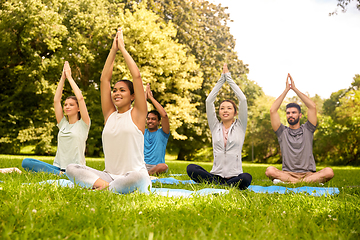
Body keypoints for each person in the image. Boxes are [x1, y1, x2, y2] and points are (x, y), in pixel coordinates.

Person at [66, 28, 151, 194]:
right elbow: (104, 79)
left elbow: (137, 77)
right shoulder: (110, 115)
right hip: (109, 176)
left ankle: (100, 189)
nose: (116, 93)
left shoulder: (138, 114)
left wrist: (123, 50)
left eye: (122, 90)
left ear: (133, 95)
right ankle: (109, 189)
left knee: (139, 177)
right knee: (71, 168)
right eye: (115, 90)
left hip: (132, 176)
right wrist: (113, 50)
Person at [187, 63, 252, 190]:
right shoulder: (215, 126)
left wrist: (229, 78)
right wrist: (222, 79)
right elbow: (209, 101)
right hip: (215, 175)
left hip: (235, 176)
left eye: (229, 108)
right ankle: (221, 185)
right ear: (219, 112)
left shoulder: (240, 126)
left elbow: (243, 100)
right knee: (191, 168)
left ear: (235, 112)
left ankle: (219, 186)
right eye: (222, 108)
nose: (225, 110)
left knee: (246, 177)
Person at [21, 61, 90, 175]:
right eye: (66, 104)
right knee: (26, 162)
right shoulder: (63, 124)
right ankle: (58, 174)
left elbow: (81, 98)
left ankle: (61, 175)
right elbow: (56, 100)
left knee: (71, 172)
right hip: (58, 168)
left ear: (78, 109)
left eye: (71, 105)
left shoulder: (83, 124)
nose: (67, 106)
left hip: (76, 169)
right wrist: (62, 78)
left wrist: (70, 78)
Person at [265, 73, 334, 184]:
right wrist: (286, 90)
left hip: (308, 173)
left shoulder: (308, 129)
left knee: (329, 171)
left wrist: (295, 89)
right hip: (288, 173)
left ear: (300, 115)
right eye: (288, 113)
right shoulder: (282, 132)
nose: (290, 115)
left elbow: (312, 106)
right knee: (270, 171)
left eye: (294, 112)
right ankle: (307, 182)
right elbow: (273, 110)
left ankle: (293, 183)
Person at [144, 83, 170, 175]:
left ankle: (146, 175)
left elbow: (164, 115)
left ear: (159, 122)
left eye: (153, 119)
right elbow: (138, 113)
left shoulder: (163, 133)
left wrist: (151, 98)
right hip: (141, 165)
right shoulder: (142, 131)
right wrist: (144, 98)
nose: (150, 121)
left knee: (163, 166)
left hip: (156, 166)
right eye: (148, 118)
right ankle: (146, 174)